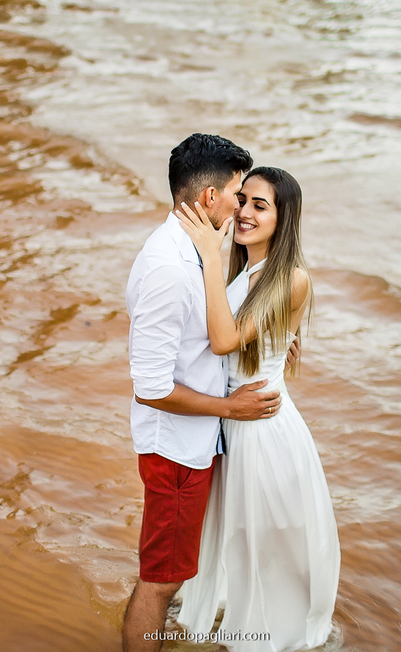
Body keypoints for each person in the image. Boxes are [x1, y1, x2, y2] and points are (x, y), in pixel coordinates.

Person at [122, 134, 286, 652]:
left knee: (169, 572)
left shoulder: (193, 252)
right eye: (239, 194)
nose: (242, 207)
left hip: (189, 443)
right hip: (175, 448)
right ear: (209, 198)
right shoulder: (172, 267)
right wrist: (229, 408)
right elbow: (150, 387)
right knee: (162, 580)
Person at [175, 166, 341, 652]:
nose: (244, 212)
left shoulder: (290, 277)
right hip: (234, 421)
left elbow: (225, 338)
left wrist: (208, 253)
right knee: (235, 540)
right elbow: (230, 340)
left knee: (267, 546)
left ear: (283, 217)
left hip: (264, 429)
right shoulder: (245, 271)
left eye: (259, 205)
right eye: (242, 200)